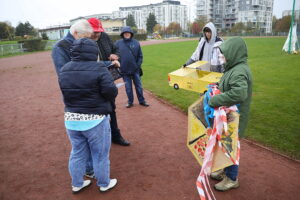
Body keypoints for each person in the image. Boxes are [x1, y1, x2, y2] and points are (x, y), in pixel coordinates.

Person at [59, 38, 118, 193]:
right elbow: (111, 92)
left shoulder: (64, 69)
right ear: (94, 52)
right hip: (95, 120)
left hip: (71, 120)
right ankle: (104, 183)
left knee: (77, 153)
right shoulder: (99, 68)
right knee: (100, 154)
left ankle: (77, 183)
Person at [208, 37, 253, 191]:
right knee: (224, 143)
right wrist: (215, 87)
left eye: (224, 54)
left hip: (235, 118)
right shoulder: (233, 67)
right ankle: (223, 169)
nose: (222, 57)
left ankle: (231, 178)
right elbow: (226, 84)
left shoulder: (239, 70)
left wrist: (216, 99)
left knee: (231, 146)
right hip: (228, 117)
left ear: (233, 53)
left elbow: (239, 93)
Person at [88, 18, 130, 146]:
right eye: (94, 32)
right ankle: (98, 139)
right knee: (96, 111)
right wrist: (109, 62)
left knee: (111, 108)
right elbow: (89, 64)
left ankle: (115, 135)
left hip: (108, 79)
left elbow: (115, 50)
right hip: (92, 83)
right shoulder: (84, 42)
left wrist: (115, 55)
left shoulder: (104, 36)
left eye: (99, 31)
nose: (97, 34)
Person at [115, 26, 149, 108]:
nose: (126, 34)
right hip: (124, 70)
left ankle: (142, 100)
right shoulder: (118, 43)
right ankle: (130, 102)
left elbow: (140, 56)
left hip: (135, 70)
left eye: (128, 33)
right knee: (128, 88)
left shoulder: (136, 42)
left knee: (139, 86)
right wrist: (119, 66)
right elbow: (115, 55)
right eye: (125, 33)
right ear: (122, 34)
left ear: (131, 34)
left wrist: (138, 65)